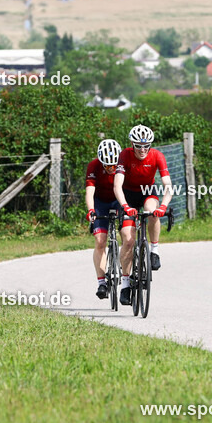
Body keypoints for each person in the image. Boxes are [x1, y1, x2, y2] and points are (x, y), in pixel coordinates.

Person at [112, 124, 173, 306]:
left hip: (147, 191)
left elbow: (168, 186)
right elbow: (117, 186)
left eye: (146, 146)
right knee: (129, 241)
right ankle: (124, 285)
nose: (143, 150)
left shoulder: (157, 156)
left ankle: (154, 250)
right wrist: (124, 206)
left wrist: (163, 206)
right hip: (127, 195)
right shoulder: (124, 155)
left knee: (152, 211)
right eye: (138, 146)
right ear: (132, 144)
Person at [85, 138, 122, 300]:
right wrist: (91, 210)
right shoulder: (93, 166)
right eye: (107, 165)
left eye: (113, 165)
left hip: (119, 200)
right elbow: (89, 192)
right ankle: (101, 282)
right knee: (100, 241)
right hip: (100, 203)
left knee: (129, 234)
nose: (111, 169)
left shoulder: (122, 165)